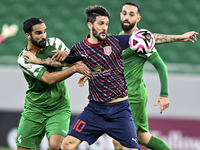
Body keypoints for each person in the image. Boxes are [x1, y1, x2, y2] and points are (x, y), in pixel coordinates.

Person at [23, 5, 198, 150]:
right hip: (95, 110)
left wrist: (180, 38)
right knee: (67, 143)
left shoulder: (116, 41)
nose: (105, 27)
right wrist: (38, 60)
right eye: (100, 23)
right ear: (90, 25)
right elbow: (63, 63)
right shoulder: (80, 48)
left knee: (131, 147)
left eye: (107, 23)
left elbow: (148, 38)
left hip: (120, 110)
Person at [111, 2, 199, 150]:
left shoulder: (141, 40)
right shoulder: (121, 37)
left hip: (133, 96)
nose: (127, 17)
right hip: (123, 95)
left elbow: (161, 66)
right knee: (143, 138)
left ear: (138, 18)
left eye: (131, 14)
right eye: (124, 13)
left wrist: (164, 94)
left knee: (120, 140)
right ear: (120, 15)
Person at [16, 17, 90, 150]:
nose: (43, 36)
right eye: (38, 33)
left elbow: (78, 62)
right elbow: (48, 79)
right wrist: (72, 68)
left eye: (44, 31)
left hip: (59, 107)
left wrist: (68, 56)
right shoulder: (24, 58)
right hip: (35, 108)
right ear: (28, 35)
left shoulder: (55, 43)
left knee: (56, 146)